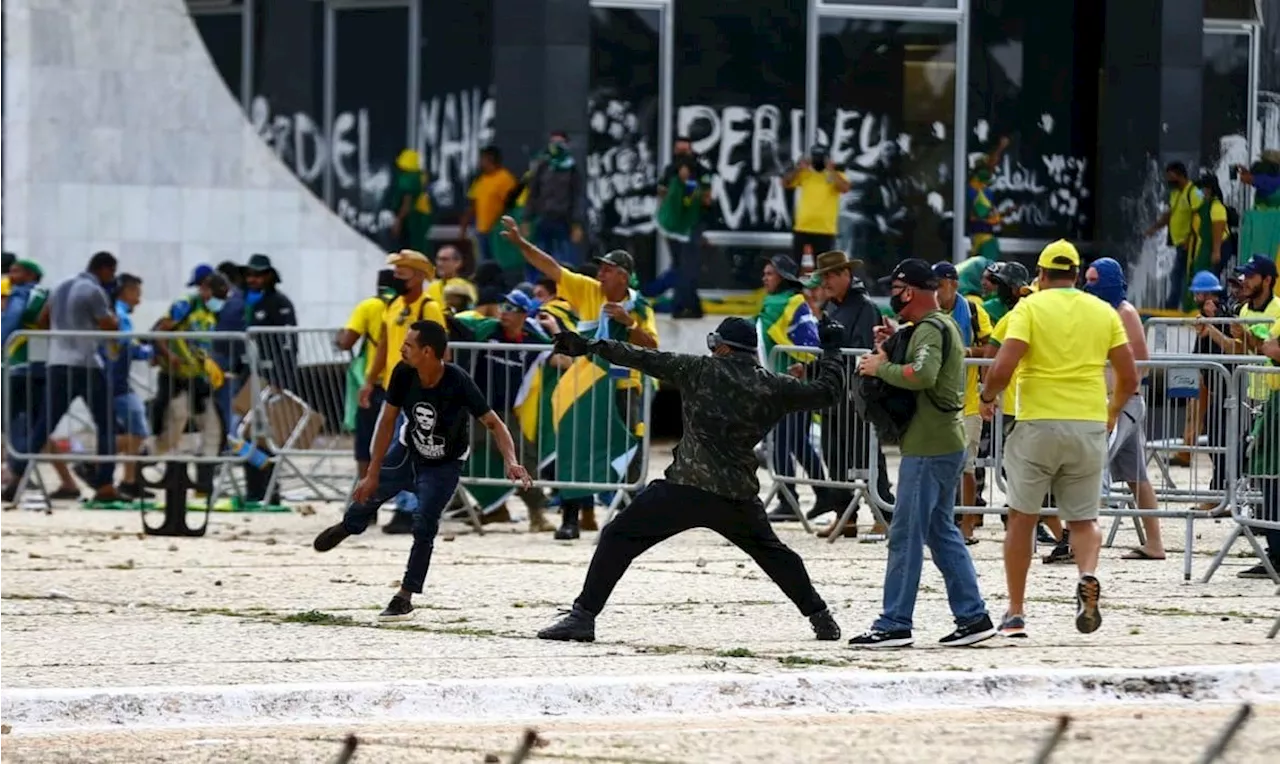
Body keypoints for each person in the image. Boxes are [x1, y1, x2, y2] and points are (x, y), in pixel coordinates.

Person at [535, 316, 847, 642]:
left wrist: (588, 346)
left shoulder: (699, 369)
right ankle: (820, 617)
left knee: (618, 537)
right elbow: (827, 392)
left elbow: (641, 357)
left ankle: (583, 617)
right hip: (736, 495)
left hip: (685, 488)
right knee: (776, 556)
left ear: (722, 346)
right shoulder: (774, 385)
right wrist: (832, 349)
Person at [313, 321, 531, 620]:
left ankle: (404, 596)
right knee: (367, 496)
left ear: (427, 351)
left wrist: (511, 460)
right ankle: (350, 525)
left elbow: (494, 423)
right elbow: (386, 422)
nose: (401, 349)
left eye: (408, 345)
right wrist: (373, 472)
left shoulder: (457, 381)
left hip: (444, 464)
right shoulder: (403, 373)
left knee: (424, 525)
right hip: (406, 451)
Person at [979, 240, 1139, 638]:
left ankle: (1016, 612)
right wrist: (1112, 411)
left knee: (1021, 518)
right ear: (1076, 273)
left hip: (1038, 424)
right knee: (1084, 520)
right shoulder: (1103, 311)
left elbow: (1003, 365)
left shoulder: (1030, 308)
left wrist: (987, 397)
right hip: (1087, 422)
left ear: (1042, 274)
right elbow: (1130, 375)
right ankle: (1087, 574)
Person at [848, 259, 995, 648]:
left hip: (928, 448)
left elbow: (924, 374)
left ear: (909, 291)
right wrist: (893, 342)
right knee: (941, 531)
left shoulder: (930, 328)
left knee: (906, 534)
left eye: (895, 288)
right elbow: (922, 362)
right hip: (942, 442)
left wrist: (880, 369)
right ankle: (973, 616)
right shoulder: (937, 325)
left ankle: (894, 622)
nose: (892, 295)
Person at [501, 215, 657, 539]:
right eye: (599, 269)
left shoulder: (641, 306)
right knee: (575, 448)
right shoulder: (589, 291)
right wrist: (519, 244)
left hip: (622, 386)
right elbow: (551, 267)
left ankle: (626, 519)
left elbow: (653, 346)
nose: (599, 274)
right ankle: (571, 518)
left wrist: (629, 323)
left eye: (606, 269)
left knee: (627, 450)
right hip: (584, 386)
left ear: (623, 276)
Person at [4, 252, 122, 503]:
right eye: (111, 273)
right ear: (104, 269)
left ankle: (17, 476)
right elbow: (108, 325)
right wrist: (114, 319)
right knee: (106, 424)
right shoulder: (93, 291)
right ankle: (105, 485)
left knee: (43, 426)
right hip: (87, 363)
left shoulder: (59, 287)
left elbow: (41, 320)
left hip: (57, 363)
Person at [799, 251, 893, 536]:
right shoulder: (832, 307)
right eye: (822, 276)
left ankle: (885, 513)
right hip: (834, 394)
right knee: (835, 456)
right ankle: (846, 517)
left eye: (829, 275)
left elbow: (859, 349)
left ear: (845, 275)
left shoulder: (863, 307)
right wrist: (810, 370)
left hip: (856, 395)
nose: (824, 281)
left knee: (867, 455)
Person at [359, 249, 447, 534]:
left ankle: (409, 510)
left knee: (411, 451)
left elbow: (442, 349)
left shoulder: (429, 307)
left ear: (419, 276)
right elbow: (384, 344)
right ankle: (394, 505)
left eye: (402, 272)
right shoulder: (393, 304)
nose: (396, 277)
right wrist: (370, 380)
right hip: (393, 388)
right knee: (386, 449)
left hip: (419, 389)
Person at [1083, 258, 1163, 561]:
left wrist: (1115, 402)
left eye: (1093, 280)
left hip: (1123, 403)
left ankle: (1082, 537)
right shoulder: (1103, 311)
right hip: (1117, 401)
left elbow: (1140, 361)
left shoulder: (1124, 313)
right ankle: (1154, 543)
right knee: (1136, 477)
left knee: (1093, 463)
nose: (1088, 285)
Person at [755, 255, 822, 521]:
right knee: (795, 443)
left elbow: (809, 345)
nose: (764, 278)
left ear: (781, 277)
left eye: (769, 273)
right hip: (783, 387)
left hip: (792, 387)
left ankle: (789, 500)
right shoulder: (788, 303)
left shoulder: (789, 304)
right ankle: (823, 493)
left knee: (783, 443)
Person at [151, 270, 230, 494]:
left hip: (197, 379)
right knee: (172, 430)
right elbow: (160, 332)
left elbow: (202, 344)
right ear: (205, 290)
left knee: (214, 429)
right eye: (217, 296)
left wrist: (209, 365)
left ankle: (203, 486)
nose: (220, 302)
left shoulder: (211, 314)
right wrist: (169, 356)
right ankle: (142, 465)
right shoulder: (185, 305)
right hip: (175, 378)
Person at [933, 262, 992, 542]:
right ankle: (941, 520)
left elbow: (991, 349)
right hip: (935, 400)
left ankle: (968, 523)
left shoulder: (971, 310)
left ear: (953, 283)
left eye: (939, 283)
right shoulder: (928, 310)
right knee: (936, 463)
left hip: (967, 399)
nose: (935, 289)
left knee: (966, 465)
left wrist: (966, 351)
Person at [337, 270, 398, 481]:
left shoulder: (369, 306)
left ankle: (365, 491)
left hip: (375, 383)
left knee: (366, 440)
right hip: (403, 383)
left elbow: (346, 342)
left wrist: (338, 337)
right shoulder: (406, 308)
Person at [101, 273, 154, 499]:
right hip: (117, 382)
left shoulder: (114, 311)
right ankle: (94, 459)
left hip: (114, 380)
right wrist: (151, 351)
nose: (138, 301)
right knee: (138, 431)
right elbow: (127, 345)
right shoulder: (120, 314)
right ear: (126, 291)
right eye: (137, 294)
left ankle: (129, 480)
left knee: (131, 431)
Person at [651, 136, 714, 318]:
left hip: (693, 224)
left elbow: (707, 197)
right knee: (680, 266)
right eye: (679, 151)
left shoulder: (700, 171)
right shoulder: (670, 171)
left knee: (689, 266)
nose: (682, 156)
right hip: (674, 226)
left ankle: (683, 305)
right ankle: (688, 305)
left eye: (685, 151)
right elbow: (662, 193)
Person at [1144, 162, 1204, 310]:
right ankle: (1175, 305)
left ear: (1180, 175)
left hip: (1190, 244)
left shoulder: (1194, 193)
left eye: (1171, 177)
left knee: (1180, 275)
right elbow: (1170, 214)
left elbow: (1200, 217)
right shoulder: (1176, 193)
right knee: (1178, 275)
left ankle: (1177, 306)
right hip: (1180, 243)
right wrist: (1154, 228)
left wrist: (1190, 238)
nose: (1169, 181)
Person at [524, 131, 584, 265]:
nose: (556, 146)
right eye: (553, 142)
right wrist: (527, 219)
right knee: (540, 258)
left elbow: (577, 197)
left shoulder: (572, 169)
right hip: (543, 219)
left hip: (564, 221)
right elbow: (533, 193)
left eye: (560, 143)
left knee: (565, 260)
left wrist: (577, 224)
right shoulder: (543, 166)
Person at [784, 146, 851, 262]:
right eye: (815, 157)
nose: (818, 161)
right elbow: (786, 183)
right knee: (794, 265)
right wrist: (798, 168)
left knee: (821, 269)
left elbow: (845, 188)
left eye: (821, 158)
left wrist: (831, 170)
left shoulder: (836, 175)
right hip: (802, 227)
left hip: (824, 229)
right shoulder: (805, 174)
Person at [461, 145, 519, 265]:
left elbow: (512, 206)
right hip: (481, 230)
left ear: (490, 159)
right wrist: (464, 226)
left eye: (482, 159)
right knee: (482, 263)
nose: (480, 162)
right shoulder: (481, 180)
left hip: (498, 231)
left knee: (498, 263)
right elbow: (473, 204)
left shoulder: (505, 179)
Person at [966, 137, 1010, 259]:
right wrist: (1000, 148)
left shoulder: (985, 189)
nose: (991, 171)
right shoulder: (973, 189)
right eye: (985, 168)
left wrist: (1003, 214)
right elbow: (979, 214)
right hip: (980, 237)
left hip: (985, 235)